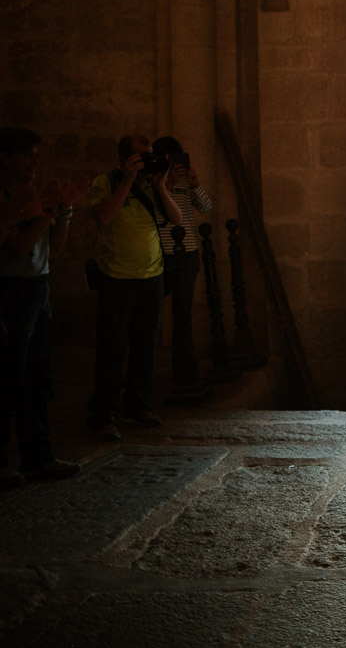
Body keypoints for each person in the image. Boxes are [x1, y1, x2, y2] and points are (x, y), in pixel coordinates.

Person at [0, 128, 88, 488]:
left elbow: (58, 247)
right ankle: (5, 462)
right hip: (11, 290)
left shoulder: (33, 196)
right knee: (10, 376)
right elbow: (19, 247)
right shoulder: (7, 198)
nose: (34, 161)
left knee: (38, 375)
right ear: (5, 158)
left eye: (36, 154)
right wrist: (45, 213)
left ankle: (39, 454)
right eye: (26, 155)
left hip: (39, 286)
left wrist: (62, 210)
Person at [85, 135, 183, 440]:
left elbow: (176, 219)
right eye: (140, 157)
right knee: (112, 349)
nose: (146, 161)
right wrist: (127, 179)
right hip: (116, 278)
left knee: (145, 346)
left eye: (149, 156)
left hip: (151, 278)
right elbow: (103, 216)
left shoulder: (150, 186)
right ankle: (104, 414)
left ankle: (137, 406)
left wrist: (160, 186)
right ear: (124, 158)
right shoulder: (106, 182)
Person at [151, 136, 212, 385]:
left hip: (187, 253)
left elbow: (207, 207)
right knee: (150, 314)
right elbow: (156, 214)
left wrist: (195, 184)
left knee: (183, 315)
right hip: (161, 254)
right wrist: (166, 184)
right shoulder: (153, 184)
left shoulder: (186, 182)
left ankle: (184, 371)